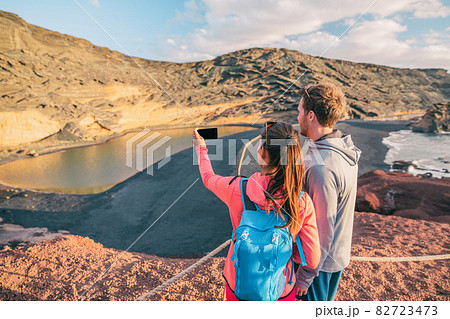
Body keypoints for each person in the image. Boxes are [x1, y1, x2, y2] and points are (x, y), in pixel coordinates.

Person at [192, 122, 320, 301]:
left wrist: (201, 148)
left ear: (263, 154)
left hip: (237, 286)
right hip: (280, 290)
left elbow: (208, 178)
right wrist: (293, 266)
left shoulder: (237, 188)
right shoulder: (301, 201)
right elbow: (312, 258)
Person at [294, 82, 362, 301]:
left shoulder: (321, 167)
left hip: (317, 265)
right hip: (335, 258)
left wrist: (305, 275)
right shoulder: (344, 148)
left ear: (311, 115)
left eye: (300, 111)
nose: (298, 117)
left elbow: (322, 228)